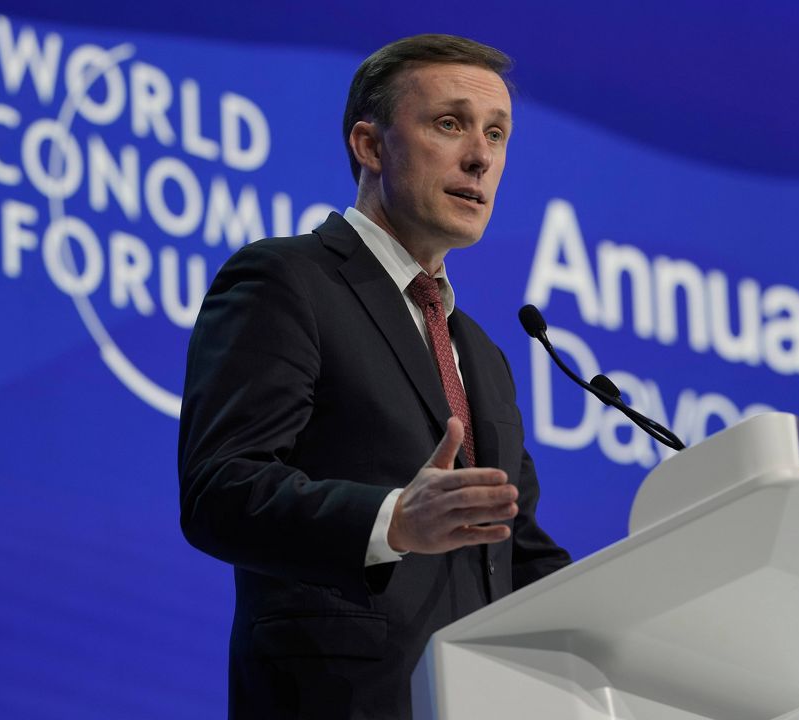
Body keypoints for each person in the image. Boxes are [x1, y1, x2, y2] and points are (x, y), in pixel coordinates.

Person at [178, 34, 571, 719]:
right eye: (449, 124)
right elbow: (221, 490)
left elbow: (515, 552)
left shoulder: (481, 353)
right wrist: (393, 519)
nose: (480, 156)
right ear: (369, 144)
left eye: (497, 134)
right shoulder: (287, 280)